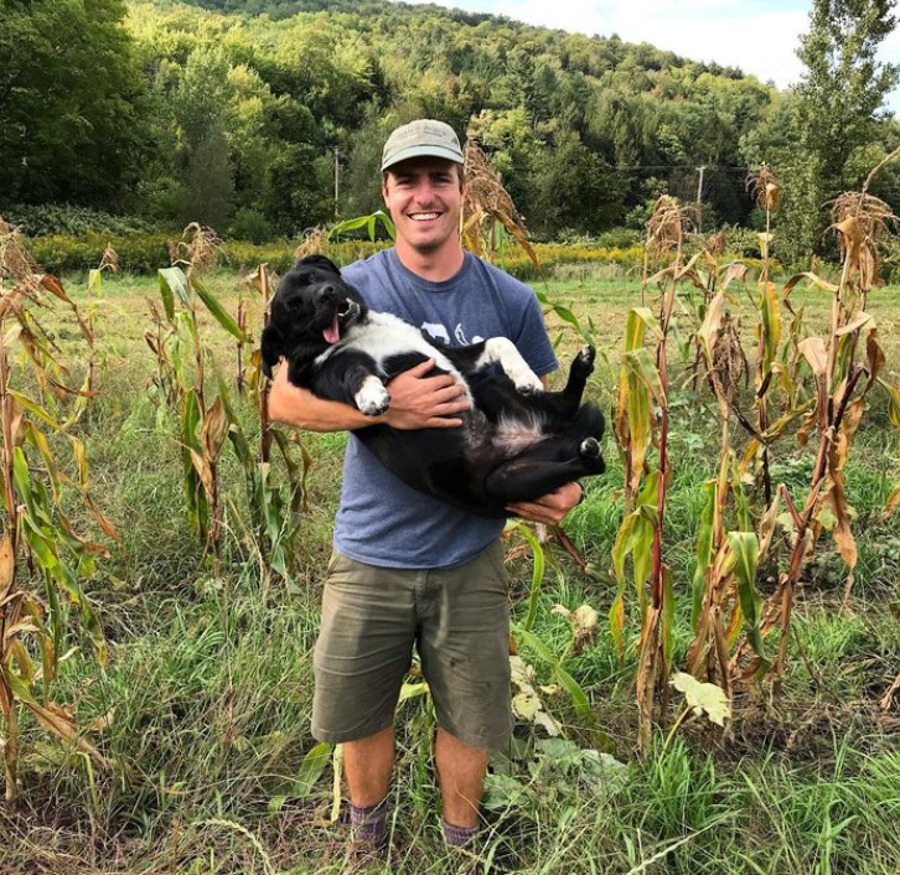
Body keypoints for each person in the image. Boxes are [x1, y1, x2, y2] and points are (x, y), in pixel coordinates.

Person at [268, 119, 584, 851]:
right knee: (360, 714)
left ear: (462, 190)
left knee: (469, 718)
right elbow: (280, 397)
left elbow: (541, 420)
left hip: (469, 555)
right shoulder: (351, 289)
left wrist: (563, 486)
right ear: (386, 193)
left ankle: (459, 847)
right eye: (407, 180)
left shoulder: (509, 300)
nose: (423, 195)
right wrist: (388, 406)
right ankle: (366, 846)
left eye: (438, 178)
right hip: (371, 551)